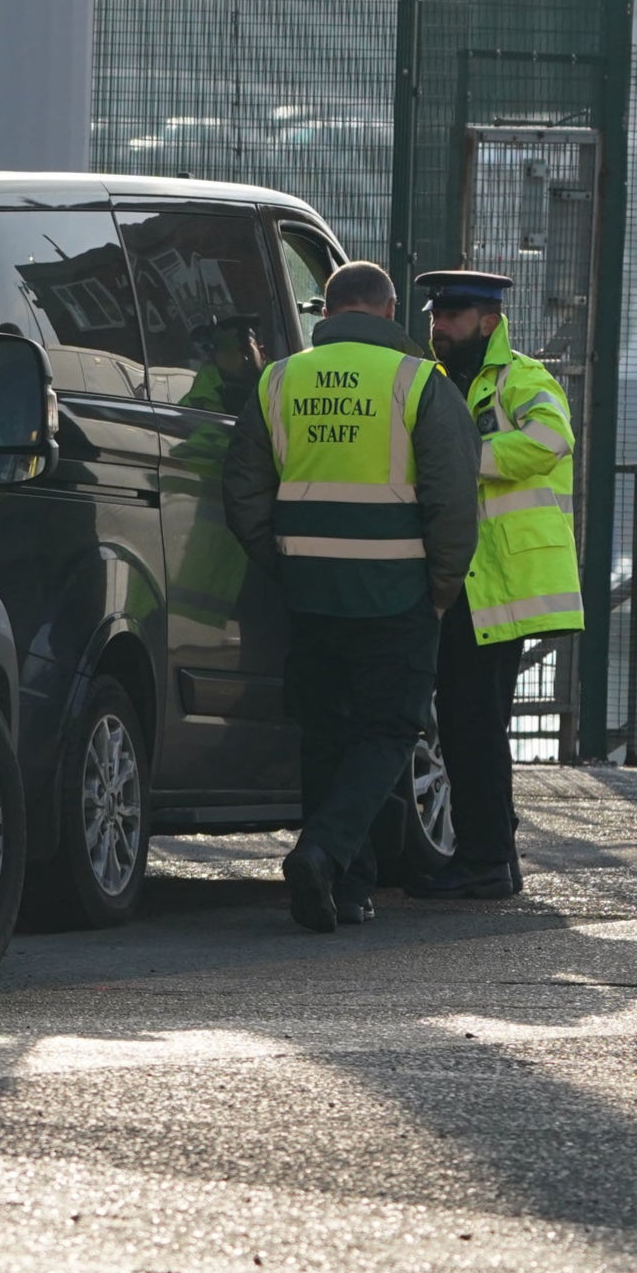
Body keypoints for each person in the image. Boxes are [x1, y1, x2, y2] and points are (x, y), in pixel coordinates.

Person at [224, 261, 479, 932]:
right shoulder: (419, 381)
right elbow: (452, 500)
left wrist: (284, 563)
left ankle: (347, 886)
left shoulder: (277, 380)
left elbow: (243, 493)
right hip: (396, 591)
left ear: (327, 310)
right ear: (388, 309)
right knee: (388, 729)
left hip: (308, 591)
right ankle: (322, 854)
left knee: (326, 732)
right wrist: (439, 589)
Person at [407, 269, 584, 899]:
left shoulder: (522, 378)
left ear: (488, 321)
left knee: (471, 721)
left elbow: (551, 438)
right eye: (435, 316)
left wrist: (465, 457)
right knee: (467, 722)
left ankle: (484, 857)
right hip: (464, 581)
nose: (440, 326)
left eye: (452, 316)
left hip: (501, 585)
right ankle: (492, 850)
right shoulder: (433, 382)